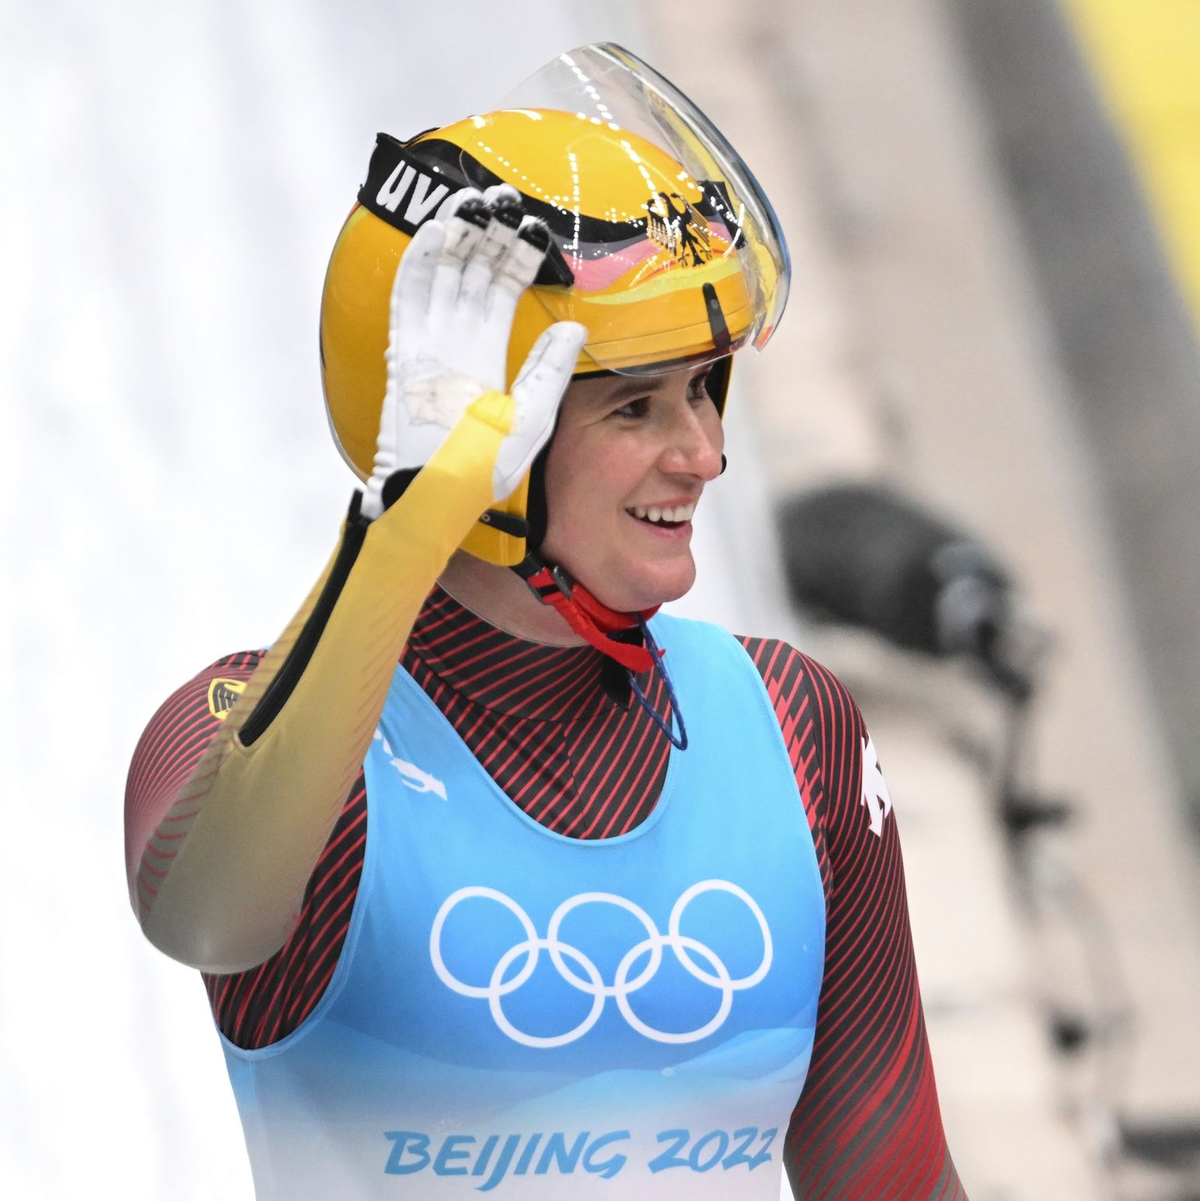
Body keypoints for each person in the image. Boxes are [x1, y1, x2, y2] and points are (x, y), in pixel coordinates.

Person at [125, 44, 967, 1200]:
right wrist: (404, 527)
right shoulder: (264, 736)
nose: (706, 454)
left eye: (705, 388)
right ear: (486, 437)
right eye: (636, 404)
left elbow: (896, 1180)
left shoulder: (797, 728)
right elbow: (205, 913)